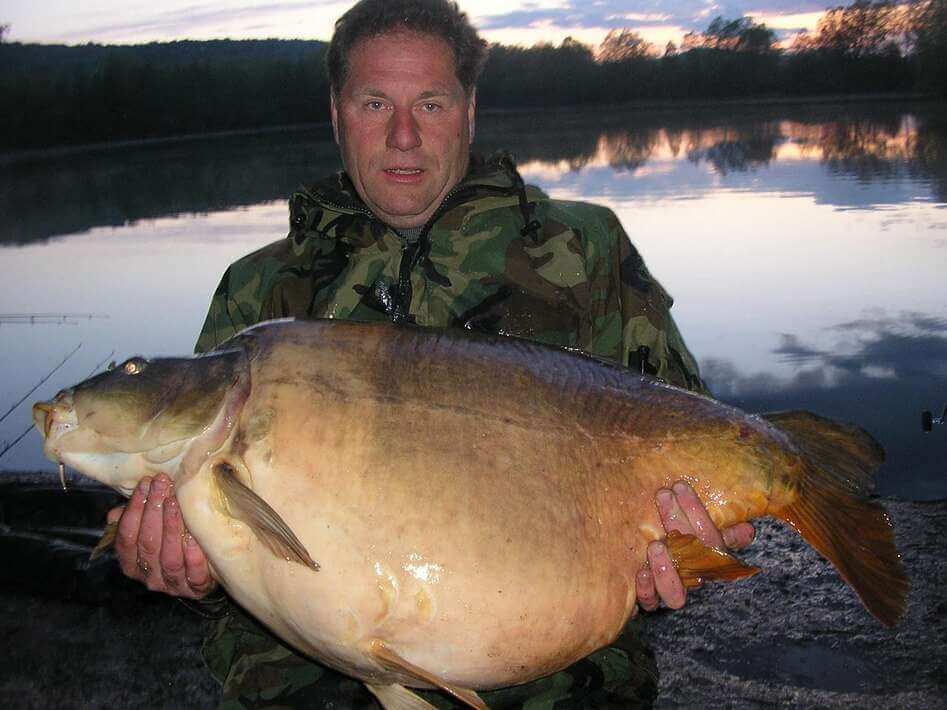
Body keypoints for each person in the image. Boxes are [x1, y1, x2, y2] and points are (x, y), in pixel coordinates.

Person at [107, 0, 755, 707]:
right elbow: (225, 533)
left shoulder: (585, 251)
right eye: (375, 103)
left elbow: (693, 444)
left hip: (558, 678)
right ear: (336, 113)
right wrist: (190, 569)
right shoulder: (258, 293)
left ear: (469, 111)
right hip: (301, 681)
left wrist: (690, 545)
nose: (404, 136)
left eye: (431, 104)